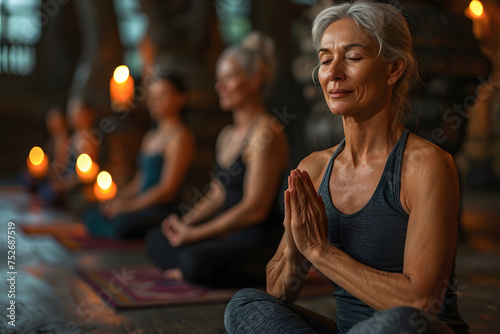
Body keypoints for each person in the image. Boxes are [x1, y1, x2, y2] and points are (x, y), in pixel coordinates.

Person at [224, 1, 469, 333]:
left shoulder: (427, 166)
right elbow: (279, 290)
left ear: (394, 69)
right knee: (245, 305)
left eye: (353, 58)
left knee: (398, 322)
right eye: (325, 60)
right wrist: (297, 246)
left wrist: (320, 251)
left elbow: (420, 303)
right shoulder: (314, 168)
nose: (334, 73)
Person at [145, 32, 289, 288]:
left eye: (229, 78)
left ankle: (194, 268)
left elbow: (254, 209)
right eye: (218, 79)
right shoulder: (226, 134)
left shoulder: (266, 132)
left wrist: (197, 234)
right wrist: (184, 225)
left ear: (255, 80)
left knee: (193, 260)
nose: (219, 86)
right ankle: (191, 268)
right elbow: (217, 194)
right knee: (157, 239)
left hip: (256, 244)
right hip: (227, 238)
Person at [84, 73, 195, 239]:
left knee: (122, 224)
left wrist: (128, 206)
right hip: (140, 205)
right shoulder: (150, 137)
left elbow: (167, 190)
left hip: (160, 208)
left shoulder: (180, 136)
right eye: (153, 96)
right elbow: (139, 182)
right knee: (93, 213)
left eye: (162, 95)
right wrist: (117, 200)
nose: (155, 101)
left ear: (180, 99)